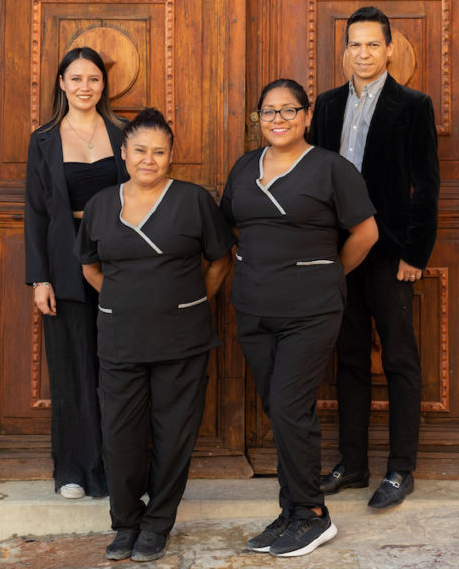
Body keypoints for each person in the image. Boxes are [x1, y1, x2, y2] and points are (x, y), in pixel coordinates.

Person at [221, 79, 378, 558]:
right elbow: (233, 225)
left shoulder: (332, 169)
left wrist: (325, 273)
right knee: (279, 406)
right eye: (268, 111)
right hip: (253, 307)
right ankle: (292, 508)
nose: (278, 119)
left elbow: (366, 233)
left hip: (310, 310)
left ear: (307, 116)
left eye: (289, 110)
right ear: (258, 119)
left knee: (290, 405)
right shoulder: (245, 166)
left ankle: (312, 513)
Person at [75, 108, 234, 563]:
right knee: (120, 435)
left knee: (173, 434)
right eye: (140, 150)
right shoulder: (102, 204)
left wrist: (188, 302)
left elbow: (220, 260)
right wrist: (125, 301)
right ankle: (125, 522)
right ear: (124, 154)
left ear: (170, 157)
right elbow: (89, 266)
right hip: (120, 338)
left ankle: (156, 525)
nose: (149, 159)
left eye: (159, 152)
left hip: (181, 338)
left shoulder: (193, 200)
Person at [309, 6, 440, 509]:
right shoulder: (326, 106)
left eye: (372, 44)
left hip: (389, 254)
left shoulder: (413, 105)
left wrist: (415, 252)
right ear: (345, 50)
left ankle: (401, 468)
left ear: (389, 49)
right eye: (354, 44)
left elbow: (426, 184)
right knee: (349, 359)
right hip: (340, 254)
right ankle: (353, 463)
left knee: (400, 358)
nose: (362, 53)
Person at [24, 46, 128, 499]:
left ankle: (119, 471)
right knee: (71, 367)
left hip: (118, 261)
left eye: (94, 78)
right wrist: (40, 278)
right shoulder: (43, 139)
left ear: (104, 85)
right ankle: (73, 471)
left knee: (120, 368)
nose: (85, 86)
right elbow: (35, 212)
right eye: (76, 78)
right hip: (64, 262)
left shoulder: (124, 133)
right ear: (62, 84)